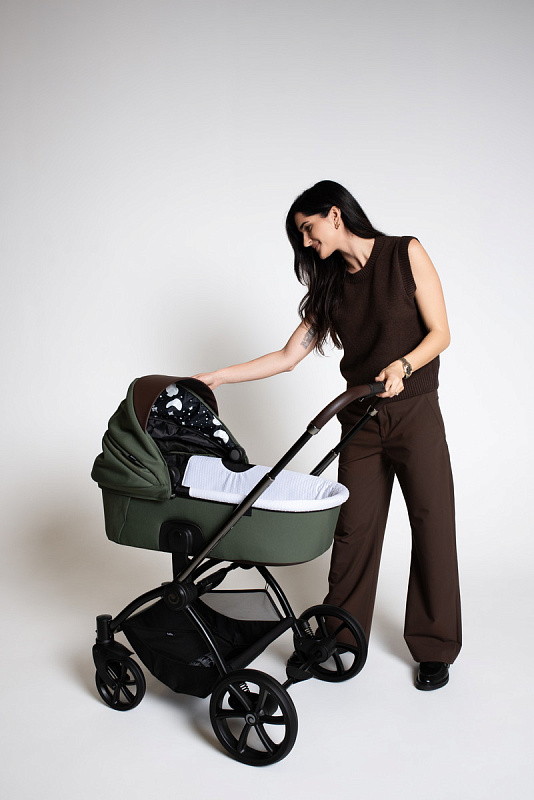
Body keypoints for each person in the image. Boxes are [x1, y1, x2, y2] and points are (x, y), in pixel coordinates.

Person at [194, 180, 461, 690]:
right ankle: (340, 636)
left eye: (308, 229)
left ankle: (434, 647)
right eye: (300, 236)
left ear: (335, 215)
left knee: (432, 525)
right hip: (360, 421)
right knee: (352, 531)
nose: (306, 242)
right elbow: (287, 356)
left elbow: (440, 332)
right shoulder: (332, 287)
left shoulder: (404, 254)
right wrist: (218, 377)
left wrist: (404, 365)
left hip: (415, 414)